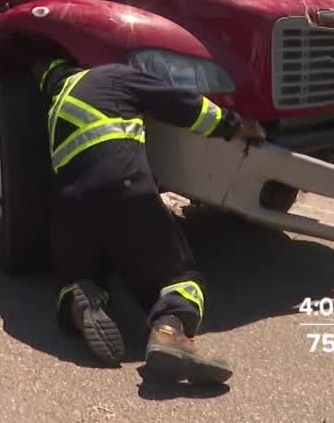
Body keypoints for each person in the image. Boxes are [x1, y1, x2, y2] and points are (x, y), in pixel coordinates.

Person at [32, 57, 265, 384]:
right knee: (179, 277)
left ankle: (79, 300)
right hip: (122, 186)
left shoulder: (55, 108)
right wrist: (232, 124)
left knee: (84, 273)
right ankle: (169, 333)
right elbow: (176, 100)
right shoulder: (111, 76)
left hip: (70, 208)